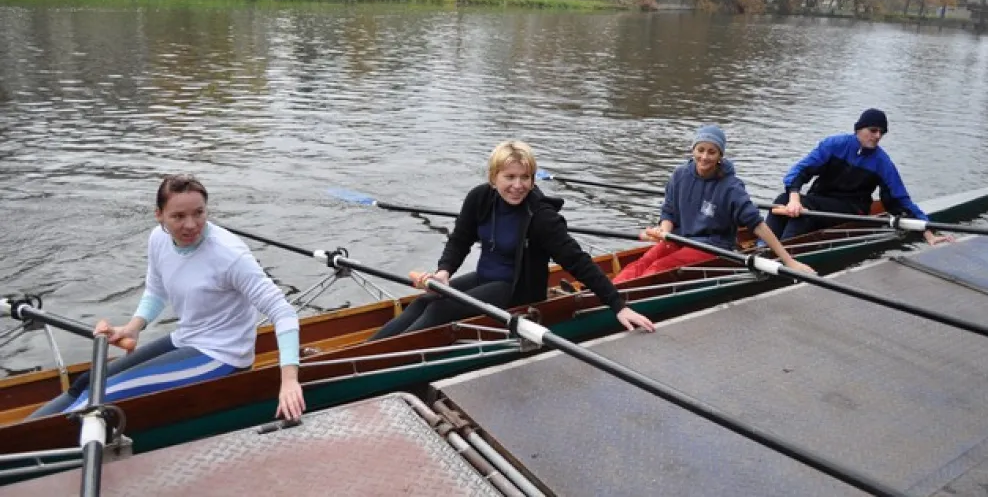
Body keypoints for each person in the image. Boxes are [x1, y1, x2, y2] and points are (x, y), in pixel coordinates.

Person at [30, 175, 305, 421]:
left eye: (199, 213)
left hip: (222, 355)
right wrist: (133, 328)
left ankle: (30, 444)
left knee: (97, 399)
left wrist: (289, 381)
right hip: (186, 339)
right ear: (159, 215)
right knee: (87, 383)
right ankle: (22, 432)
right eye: (178, 216)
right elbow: (156, 290)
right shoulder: (158, 240)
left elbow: (283, 312)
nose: (191, 225)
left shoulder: (230, 256)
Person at [369, 140, 655, 341]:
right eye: (510, 177)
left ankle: (375, 362)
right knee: (424, 301)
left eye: (525, 177)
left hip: (519, 291)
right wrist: (444, 272)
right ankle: (363, 351)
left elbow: (577, 261)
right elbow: (460, 240)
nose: (518, 186)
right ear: (493, 177)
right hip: (487, 278)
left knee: (438, 308)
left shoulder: (541, 217)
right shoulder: (479, 198)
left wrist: (618, 306)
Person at [614, 125, 816, 283]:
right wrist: (663, 231)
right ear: (693, 150)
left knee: (658, 267)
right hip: (679, 238)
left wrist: (788, 261)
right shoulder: (679, 175)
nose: (704, 157)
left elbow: (757, 225)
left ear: (720, 156)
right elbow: (669, 212)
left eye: (711, 152)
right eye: (700, 150)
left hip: (713, 246)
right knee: (644, 261)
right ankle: (610, 294)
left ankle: (623, 301)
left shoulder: (731, 187)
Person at [764, 108, 953, 245]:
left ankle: (780, 254)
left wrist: (927, 231)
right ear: (859, 129)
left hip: (853, 209)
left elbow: (900, 199)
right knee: (781, 200)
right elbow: (799, 171)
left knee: (804, 213)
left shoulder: (882, 162)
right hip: (821, 201)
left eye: (881, 133)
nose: (877, 136)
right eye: (873, 130)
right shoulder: (833, 145)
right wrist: (794, 198)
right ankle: (763, 245)